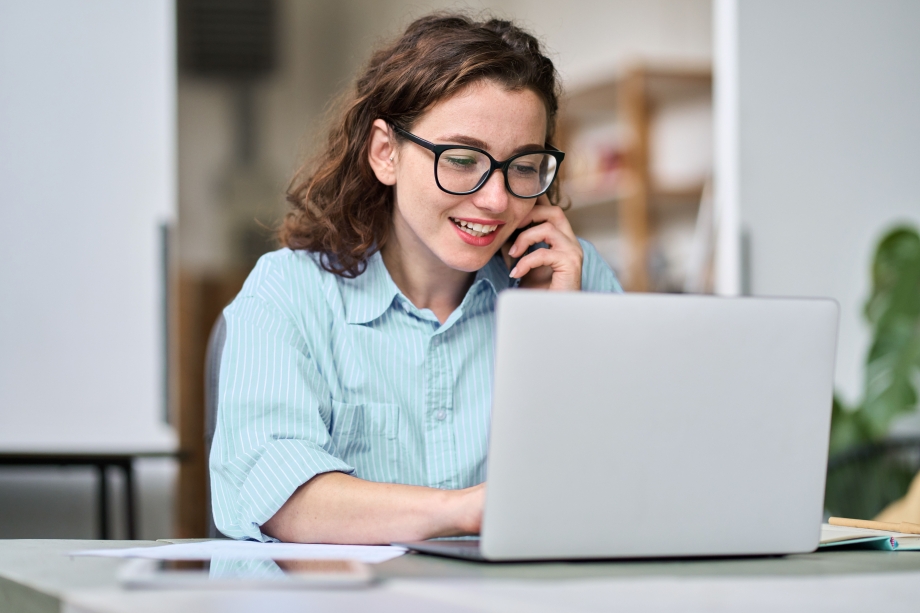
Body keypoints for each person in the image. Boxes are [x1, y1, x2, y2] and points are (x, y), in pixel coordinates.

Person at [209, 12, 622, 544]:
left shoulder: (577, 277)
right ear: (386, 152)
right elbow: (281, 500)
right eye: (462, 158)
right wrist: (467, 510)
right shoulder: (288, 292)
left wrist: (554, 330)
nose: (495, 200)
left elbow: (619, 482)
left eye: (523, 165)